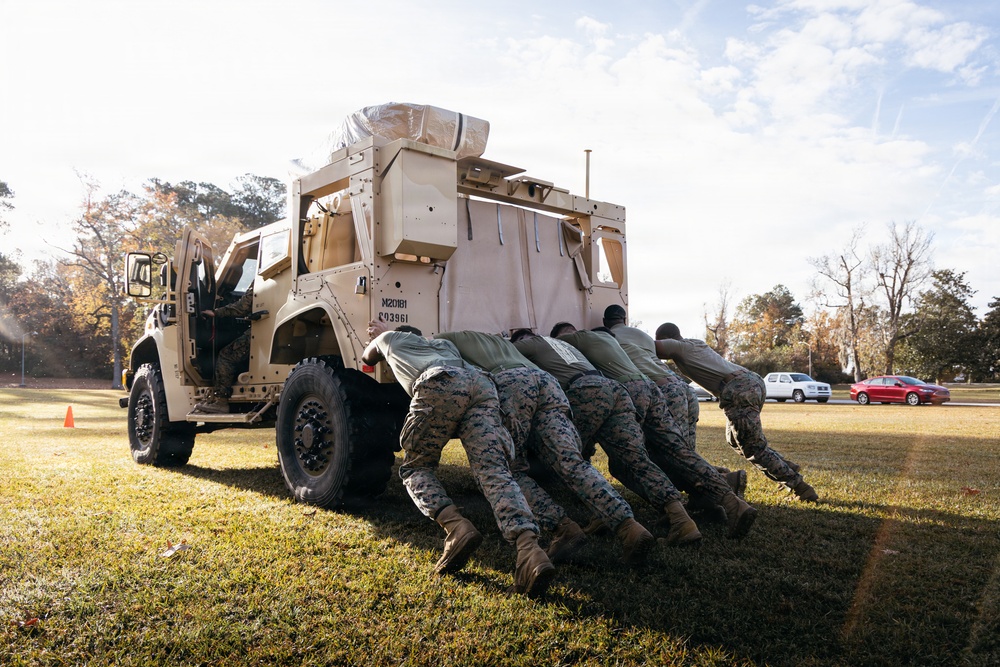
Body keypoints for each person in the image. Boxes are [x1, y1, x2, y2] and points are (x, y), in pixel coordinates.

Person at [362, 323, 555, 596]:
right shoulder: (444, 345)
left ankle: (456, 528)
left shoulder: (389, 337)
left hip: (439, 382)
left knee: (416, 468)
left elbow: (366, 359)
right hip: (480, 385)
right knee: (494, 471)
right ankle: (530, 550)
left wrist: (380, 337)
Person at [433, 330, 655, 565]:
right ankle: (629, 527)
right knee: (571, 461)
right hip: (546, 383)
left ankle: (562, 527)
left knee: (511, 469)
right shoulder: (500, 341)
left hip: (511, 383)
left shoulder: (448, 337)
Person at [549, 323, 758, 539]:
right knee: (677, 450)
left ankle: (673, 515)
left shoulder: (579, 340)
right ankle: (730, 501)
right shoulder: (615, 343)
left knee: (627, 463)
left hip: (627, 391)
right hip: (651, 388)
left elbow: (548, 344)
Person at [510, 329, 703, 544]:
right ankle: (680, 518)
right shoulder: (569, 347)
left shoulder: (532, 344)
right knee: (634, 458)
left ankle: (607, 516)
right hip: (613, 389)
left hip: (584, 392)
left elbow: (503, 351)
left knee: (569, 460)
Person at [654, 322, 819, 502]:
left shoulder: (678, 346)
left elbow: (649, 347)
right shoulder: (694, 343)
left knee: (752, 447)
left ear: (667, 339)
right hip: (749, 380)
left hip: (738, 389)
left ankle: (799, 487)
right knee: (734, 440)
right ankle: (786, 466)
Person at [194, 285, 253, 414]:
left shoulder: (262, 278)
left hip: (261, 330)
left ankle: (221, 401)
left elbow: (242, 308)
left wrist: (215, 312)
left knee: (226, 356)